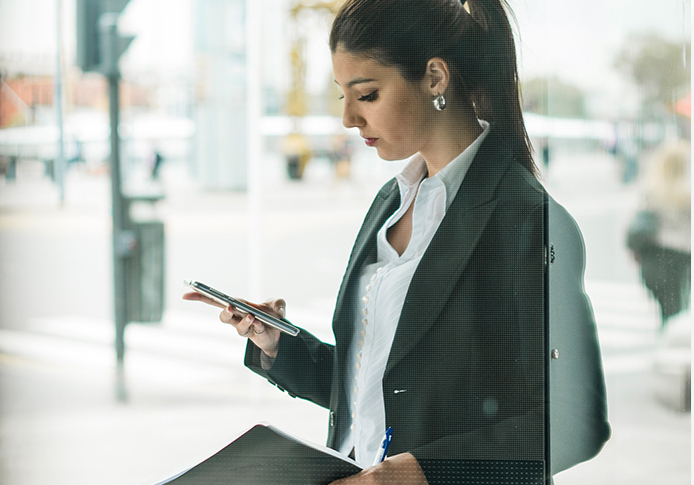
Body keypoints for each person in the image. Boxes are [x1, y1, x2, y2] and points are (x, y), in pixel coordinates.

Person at [184, 1, 610, 483]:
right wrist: (278, 344)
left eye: (366, 95)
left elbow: (573, 425)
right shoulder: (392, 201)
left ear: (434, 77)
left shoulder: (526, 219)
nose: (348, 117)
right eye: (342, 95)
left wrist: (419, 472)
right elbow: (383, 388)